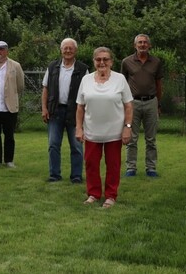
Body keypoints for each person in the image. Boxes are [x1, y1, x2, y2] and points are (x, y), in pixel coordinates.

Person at [75, 47, 133, 208]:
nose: (102, 62)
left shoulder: (120, 79)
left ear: (111, 62)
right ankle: (93, 194)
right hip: (92, 130)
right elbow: (80, 107)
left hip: (114, 132)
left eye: (105, 59)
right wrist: (79, 128)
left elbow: (128, 106)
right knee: (91, 164)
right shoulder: (86, 80)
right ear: (94, 62)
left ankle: (110, 196)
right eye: (98, 59)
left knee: (113, 165)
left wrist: (127, 127)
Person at [41, 38, 88, 183]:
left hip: (75, 112)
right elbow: (45, 88)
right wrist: (44, 108)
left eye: (70, 48)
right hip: (55, 111)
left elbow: (87, 92)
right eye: (65, 48)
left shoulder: (82, 69)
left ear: (76, 51)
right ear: (61, 50)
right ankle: (54, 175)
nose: (68, 51)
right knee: (53, 144)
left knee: (76, 146)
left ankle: (76, 176)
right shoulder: (52, 67)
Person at [121, 34, 163, 177]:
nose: (143, 44)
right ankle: (130, 168)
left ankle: (151, 168)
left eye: (145, 42)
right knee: (131, 138)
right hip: (133, 103)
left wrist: (158, 104)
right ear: (135, 45)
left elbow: (158, 84)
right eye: (140, 42)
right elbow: (123, 83)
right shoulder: (126, 62)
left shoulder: (156, 62)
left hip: (151, 102)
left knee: (151, 139)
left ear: (149, 45)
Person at [0, 41, 25, 168]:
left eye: (1, 49)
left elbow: (20, 86)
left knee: (9, 136)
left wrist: (11, 95)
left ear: (7, 51)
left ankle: (9, 160)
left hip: (9, 107)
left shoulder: (15, 66)